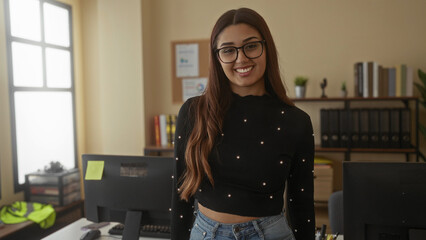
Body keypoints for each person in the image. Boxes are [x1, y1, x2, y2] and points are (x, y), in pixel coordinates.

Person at [172, 7, 315, 240]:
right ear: (217, 57)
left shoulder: (296, 121)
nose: (241, 58)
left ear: (266, 47)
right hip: (205, 233)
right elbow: (179, 195)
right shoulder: (193, 111)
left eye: (251, 46)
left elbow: (301, 204)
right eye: (228, 50)